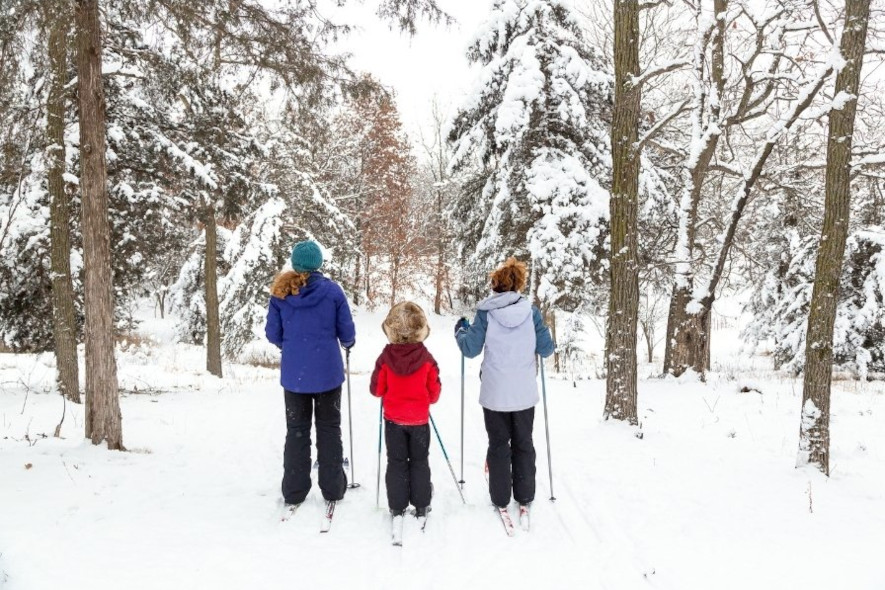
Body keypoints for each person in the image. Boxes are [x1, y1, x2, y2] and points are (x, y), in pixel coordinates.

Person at [454, 257, 554, 511]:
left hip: (495, 392)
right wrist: (542, 334)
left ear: (495, 285)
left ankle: (500, 497)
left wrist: (461, 331)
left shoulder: (486, 313)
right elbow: (546, 348)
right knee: (524, 442)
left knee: (498, 444)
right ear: (518, 285)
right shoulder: (531, 313)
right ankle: (526, 494)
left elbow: (470, 349)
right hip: (523, 393)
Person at [265, 240, 355, 507]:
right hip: (328, 373)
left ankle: (294, 490)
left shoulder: (281, 293)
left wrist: (289, 345)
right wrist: (348, 344)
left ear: (295, 264)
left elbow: (273, 333)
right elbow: (347, 331)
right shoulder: (332, 292)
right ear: (319, 264)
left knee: (296, 430)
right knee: (329, 429)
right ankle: (333, 488)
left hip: (295, 376)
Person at [370, 301, 441, 518]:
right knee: (420, 461)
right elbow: (434, 393)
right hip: (419, 421)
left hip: (393, 421)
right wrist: (422, 398)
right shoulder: (427, 359)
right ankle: (421, 504)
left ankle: (397, 505)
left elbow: (376, 389)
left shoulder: (385, 358)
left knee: (396, 461)